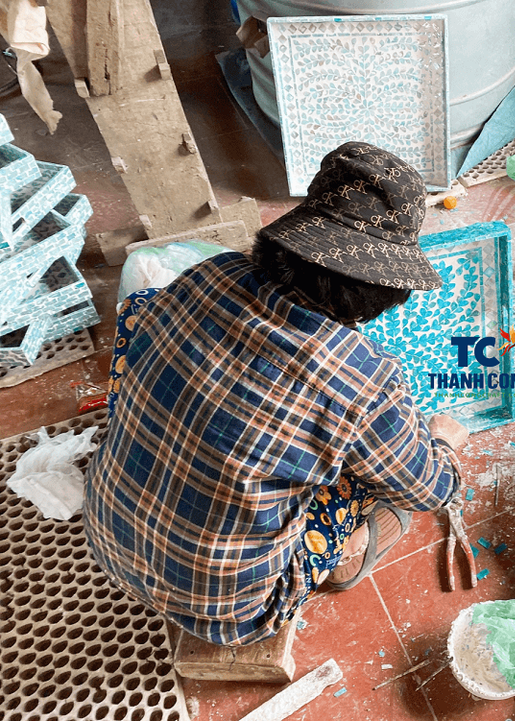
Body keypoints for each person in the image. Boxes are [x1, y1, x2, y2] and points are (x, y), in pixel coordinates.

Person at [84, 141, 467, 647]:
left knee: (143, 310)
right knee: (375, 474)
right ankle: (343, 560)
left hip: (105, 537)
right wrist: (444, 443)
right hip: (231, 614)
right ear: (384, 287)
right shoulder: (361, 378)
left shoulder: (208, 272)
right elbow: (431, 491)